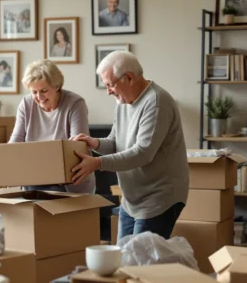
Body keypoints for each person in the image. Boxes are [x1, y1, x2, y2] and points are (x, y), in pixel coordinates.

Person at [70, 51, 189, 240]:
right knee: (123, 255)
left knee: (141, 257)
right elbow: (116, 142)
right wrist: (95, 143)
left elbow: (143, 153)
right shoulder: (123, 102)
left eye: (110, 84)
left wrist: (98, 163)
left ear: (129, 78)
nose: (108, 91)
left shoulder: (157, 102)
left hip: (159, 198)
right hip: (132, 198)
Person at [9, 59, 95, 194]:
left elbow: (78, 146)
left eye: (44, 90)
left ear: (56, 86)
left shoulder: (75, 103)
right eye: (34, 92)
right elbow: (16, 141)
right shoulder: (26, 103)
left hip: (69, 181)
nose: (39, 97)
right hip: (34, 179)